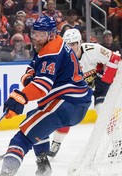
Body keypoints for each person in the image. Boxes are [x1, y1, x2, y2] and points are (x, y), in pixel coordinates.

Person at [0, 16, 92, 176]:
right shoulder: (52, 45)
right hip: (76, 104)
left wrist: (21, 97)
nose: (36, 37)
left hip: (65, 104)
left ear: (51, 34)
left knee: (21, 138)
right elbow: (31, 72)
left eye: (41, 34)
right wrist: (29, 79)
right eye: (34, 33)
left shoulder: (51, 51)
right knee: (33, 118)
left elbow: (42, 86)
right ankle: (43, 166)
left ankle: (5, 175)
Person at [48, 28, 121, 157]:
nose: (70, 47)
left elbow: (115, 58)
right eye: (67, 44)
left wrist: (106, 77)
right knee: (67, 115)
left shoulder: (93, 49)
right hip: (79, 90)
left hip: (99, 86)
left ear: (79, 43)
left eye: (73, 44)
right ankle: (56, 142)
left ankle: (117, 142)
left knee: (102, 110)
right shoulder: (62, 59)